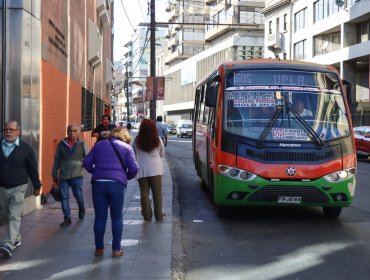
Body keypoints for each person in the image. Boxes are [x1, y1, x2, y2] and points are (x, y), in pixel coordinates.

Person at [83, 127, 138, 257]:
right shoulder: (127, 148)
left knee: (100, 218)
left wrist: (96, 172)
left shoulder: (99, 145)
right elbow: (134, 169)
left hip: (98, 184)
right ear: (125, 137)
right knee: (117, 217)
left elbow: (86, 162)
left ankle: (99, 249)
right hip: (116, 185)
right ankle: (116, 250)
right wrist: (124, 177)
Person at [0, 120, 42, 258]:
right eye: (6, 129)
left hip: (19, 186)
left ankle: (9, 244)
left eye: (11, 129)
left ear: (18, 131)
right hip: (2, 187)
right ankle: (16, 237)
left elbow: (32, 168)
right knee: (6, 214)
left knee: (14, 215)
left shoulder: (25, 148)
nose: (8, 132)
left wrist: (37, 186)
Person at [51, 124, 89, 227]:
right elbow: (57, 159)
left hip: (77, 175)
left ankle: (81, 208)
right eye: (70, 131)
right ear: (67, 132)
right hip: (64, 175)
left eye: (74, 131)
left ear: (77, 132)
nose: (72, 133)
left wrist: (85, 166)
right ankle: (67, 218)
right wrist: (54, 173)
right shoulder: (61, 144)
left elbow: (88, 158)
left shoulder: (82, 144)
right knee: (64, 197)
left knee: (78, 195)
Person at [133, 119, 166, 222]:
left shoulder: (137, 140)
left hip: (142, 169)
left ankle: (147, 216)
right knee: (157, 193)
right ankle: (159, 215)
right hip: (156, 169)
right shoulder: (158, 139)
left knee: (144, 193)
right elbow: (162, 154)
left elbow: (133, 153)